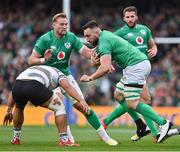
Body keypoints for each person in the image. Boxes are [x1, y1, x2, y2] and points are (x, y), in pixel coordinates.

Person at [28, 13, 118, 146]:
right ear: (54, 25)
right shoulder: (45, 39)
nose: (65, 26)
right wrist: (43, 59)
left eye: (66, 24)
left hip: (65, 76)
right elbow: (31, 60)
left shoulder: (70, 37)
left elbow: (86, 52)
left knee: (83, 106)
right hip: (51, 77)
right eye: (61, 24)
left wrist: (103, 61)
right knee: (60, 107)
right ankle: (68, 139)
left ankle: (105, 138)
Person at [80, 20, 172, 143]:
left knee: (132, 104)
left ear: (97, 32)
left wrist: (90, 77)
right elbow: (105, 61)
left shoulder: (104, 41)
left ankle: (163, 123)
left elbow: (106, 67)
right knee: (118, 95)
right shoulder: (105, 36)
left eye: (88, 36)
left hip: (136, 67)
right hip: (134, 67)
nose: (87, 39)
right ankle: (141, 125)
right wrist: (99, 63)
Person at [102, 6, 158, 141]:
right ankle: (155, 133)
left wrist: (154, 49)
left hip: (141, 68)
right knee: (144, 100)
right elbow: (107, 43)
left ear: (136, 17)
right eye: (127, 17)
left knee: (133, 99)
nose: (130, 19)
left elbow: (152, 45)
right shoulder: (120, 33)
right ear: (123, 18)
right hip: (131, 69)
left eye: (132, 16)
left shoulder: (144, 30)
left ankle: (142, 129)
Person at [3, 65, 90, 146]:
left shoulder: (37, 68)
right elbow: (67, 87)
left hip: (18, 85)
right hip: (34, 85)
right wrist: (81, 100)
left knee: (19, 107)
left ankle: (16, 138)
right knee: (59, 108)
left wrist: (9, 111)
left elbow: (13, 91)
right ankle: (64, 140)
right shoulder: (60, 73)